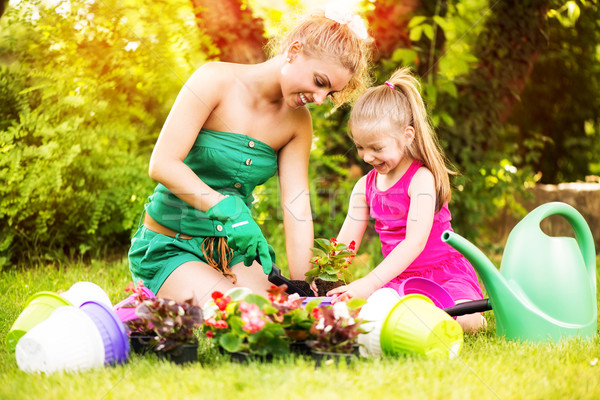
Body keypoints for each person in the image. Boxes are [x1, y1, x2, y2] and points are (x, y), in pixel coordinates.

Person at [128, 3, 372, 306]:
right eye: (319, 82)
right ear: (294, 50)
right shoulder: (214, 81)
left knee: (283, 312)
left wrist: (302, 286)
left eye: (330, 93)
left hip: (232, 253)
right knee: (241, 313)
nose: (320, 99)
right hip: (170, 245)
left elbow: (296, 207)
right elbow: (163, 164)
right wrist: (226, 208)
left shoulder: (298, 122)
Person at [327, 67, 486, 332]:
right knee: (367, 316)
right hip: (400, 278)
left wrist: (368, 283)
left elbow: (414, 243)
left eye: (377, 148)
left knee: (462, 316)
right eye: (360, 147)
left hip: (444, 274)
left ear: (407, 136)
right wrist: (323, 275)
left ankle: (465, 316)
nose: (367, 157)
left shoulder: (421, 179)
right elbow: (346, 245)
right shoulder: (363, 187)